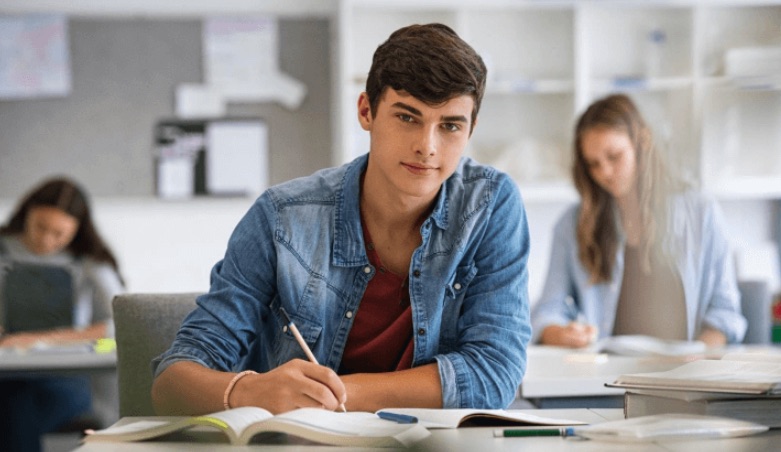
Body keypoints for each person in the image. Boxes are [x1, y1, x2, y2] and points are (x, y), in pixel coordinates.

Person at [151, 23, 531, 415]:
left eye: (450, 125)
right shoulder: (282, 218)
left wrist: (335, 396)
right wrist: (251, 392)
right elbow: (171, 381)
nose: (427, 147)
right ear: (366, 111)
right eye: (407, 118)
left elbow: (495, 374)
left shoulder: (489, 205)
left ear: (471, 129)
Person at [532, 93, 746, 348]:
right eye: (593, 164)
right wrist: (561, 334)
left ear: (642, 142)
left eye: (614, 157)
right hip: (607, 379)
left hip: (686, 376)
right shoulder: (572, 224)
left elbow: (725, 313)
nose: (605, 173)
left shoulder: (701, 212)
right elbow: (547, 312)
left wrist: (697, 359)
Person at [0, 177, 125, 452]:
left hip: (65, 377)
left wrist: (39, 339)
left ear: (77, 230)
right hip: (6, 372)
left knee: (15, 408)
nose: (45, 240)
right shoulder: (4, 247)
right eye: (40, 227)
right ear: (26, 214)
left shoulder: (88, 260)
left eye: (59, 233)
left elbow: (121, 322)